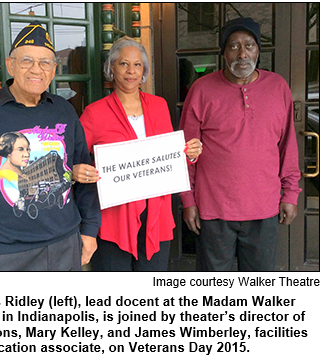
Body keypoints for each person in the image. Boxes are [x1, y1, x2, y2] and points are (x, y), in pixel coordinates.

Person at [0, 21, 101, 271]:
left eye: (45, 63)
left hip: (65, 244)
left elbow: (83, 170)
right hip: (8, 253)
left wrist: (90, 230)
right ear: (11, 65)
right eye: (26, 61)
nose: (36, 69)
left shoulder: (64, 110)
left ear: (53, 70)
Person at [179, 17, 301, 271]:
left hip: (264, 207)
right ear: (224, 52)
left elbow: (288, 146)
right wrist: (188, 201)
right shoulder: (201, 89)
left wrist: (290, 193)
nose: (242, 53)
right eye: (234, 46)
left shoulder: (278, 87)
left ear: (258, 50)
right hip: (213, 210)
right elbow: (185, 152)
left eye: (249, 45)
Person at [73, 36, 202, 271]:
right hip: (114, 219)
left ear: (144, 70)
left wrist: (189, 153)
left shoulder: (159, 105)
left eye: (137, 64)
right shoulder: (95, 113)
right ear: (112, 67)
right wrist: (75, 171)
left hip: (157, 215)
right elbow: (72, 156)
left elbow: (167, 156)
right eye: (123, 64)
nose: (130, 71)